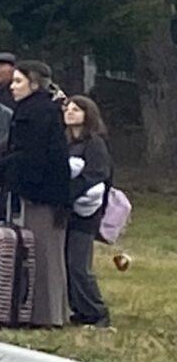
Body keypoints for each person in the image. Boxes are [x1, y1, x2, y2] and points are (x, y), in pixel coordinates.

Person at [0, 59, 72, 328]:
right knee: (47, 251)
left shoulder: (36, 112)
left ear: (34, 83)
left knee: (41, 251)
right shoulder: (42, 110)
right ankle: (53, 311)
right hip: (48, 191)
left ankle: (45, 314)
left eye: (18, 81)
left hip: (41, 192)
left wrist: (6, 165)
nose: (12, 87)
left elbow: (33, 155)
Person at [64, 94, 115, 329]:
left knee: (79, 264)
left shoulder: (94, 143)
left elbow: (98, 174)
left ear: (88, 114)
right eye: (67, 108)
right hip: (66, 210)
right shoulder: (66, 143)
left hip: (86, 212)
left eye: (77, 109)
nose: (70, 112)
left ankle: (97, 311)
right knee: (66, 262)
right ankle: (80, 309)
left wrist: (70, 192)